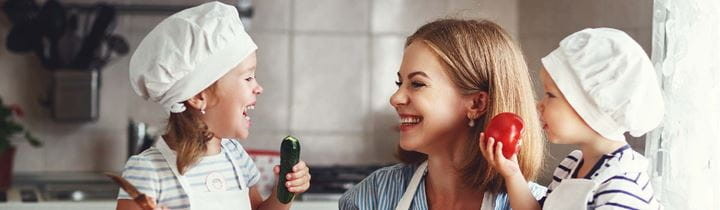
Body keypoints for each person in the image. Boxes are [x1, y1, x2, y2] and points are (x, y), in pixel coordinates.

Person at [117, 2, 310, 209]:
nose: (258, 87)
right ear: (199, 97)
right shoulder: (147, 171)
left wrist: (284, 192)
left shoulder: (235, 156)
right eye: (248, 78)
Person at [339, 19, 546, 210]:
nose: (396, 98)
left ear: (477, 103)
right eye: (399, 83)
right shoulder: (372, 196)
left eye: (417, 84)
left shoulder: (540, 203)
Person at [481, 28, 664, 210]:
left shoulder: (620, 186)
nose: (540, 105)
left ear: (590, 106)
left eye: (550, 95)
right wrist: (512, 173)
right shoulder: (571, 166)